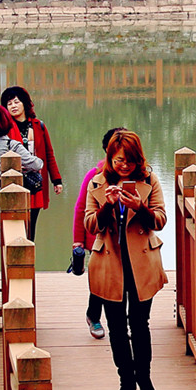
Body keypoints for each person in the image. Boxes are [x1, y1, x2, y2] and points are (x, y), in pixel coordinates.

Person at [84, 130, 168, 390]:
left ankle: (144, 374)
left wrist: (140, 207)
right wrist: (107, 207)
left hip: (141, 260)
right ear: (110, 157)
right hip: (110, 260)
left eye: (130, 161)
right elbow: (90, 225)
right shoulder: (97, 183)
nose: (124, 166)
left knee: (140, 323)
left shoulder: (149, 180)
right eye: (119, 160)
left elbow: (160, 220)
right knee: (117, 327)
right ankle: (126, 382)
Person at [0, 105, 44, 307]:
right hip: (9, 205)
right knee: (14, 250)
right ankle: (14, 296)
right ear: (6, 124)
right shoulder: (12, 146)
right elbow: (37, 164)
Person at [71, 127, 125, 340]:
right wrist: (77, 241)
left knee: (125, 280)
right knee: (100, 279)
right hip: (99, 240)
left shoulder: (140, 176)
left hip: (126, 238)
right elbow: (81, 209)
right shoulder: (94, 176)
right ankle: (93, 316)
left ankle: (122, 322)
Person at [0, 86, 62, 238]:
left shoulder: (38, 126)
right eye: (9, 104)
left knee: (31, 225)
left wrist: (56, 180)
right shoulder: (5, 128)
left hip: (35, 181)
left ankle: (30, 257)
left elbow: (49, 154)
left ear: (24, 103)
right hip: (14, 182)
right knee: (16, 224)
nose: (13, 106)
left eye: (16, 102)